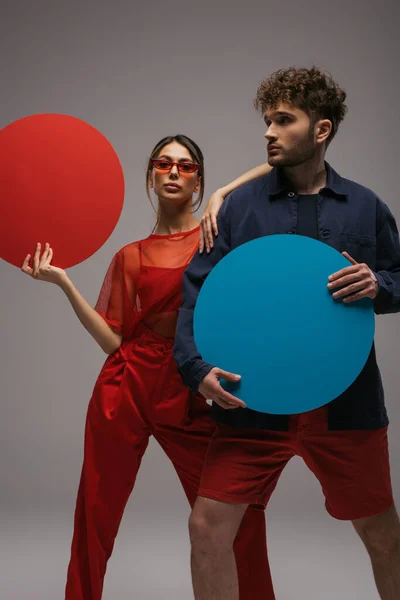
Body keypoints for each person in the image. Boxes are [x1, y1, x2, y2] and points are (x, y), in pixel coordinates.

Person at [173, 67, 400, 600]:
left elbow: (398, 278)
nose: (269, 132)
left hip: (346, 404)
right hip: (253, 401)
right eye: (267, 121)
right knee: (206, 529)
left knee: (385, 537)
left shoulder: (366, 207)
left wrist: (378, 283)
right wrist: (196, 369)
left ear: (320, 130)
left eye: (283, 120)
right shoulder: (237, 209)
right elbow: (197, 294)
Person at [21, 134, 276, 600]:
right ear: (151, 177)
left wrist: (224, 193)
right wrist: (63, 284)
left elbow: (276, 170)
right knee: (95, 511)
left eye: (185, 165)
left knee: (235, 515)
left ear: (198, 180)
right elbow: (114, 341)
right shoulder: (130, 255)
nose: (174, 171)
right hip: (127, 385)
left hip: (191, 387)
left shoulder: (218, 235)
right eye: (164, 164)